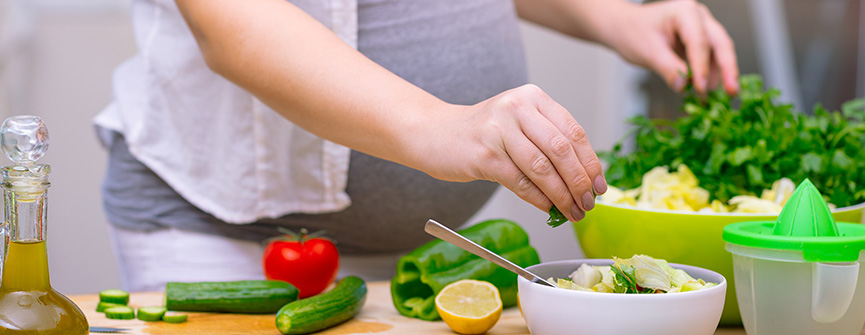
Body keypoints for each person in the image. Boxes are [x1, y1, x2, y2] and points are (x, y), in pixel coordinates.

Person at [95, 0, 739, 291]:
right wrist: (442, 128)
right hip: (229, 237)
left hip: (419, 262)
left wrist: (616, 14)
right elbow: (230, 23)